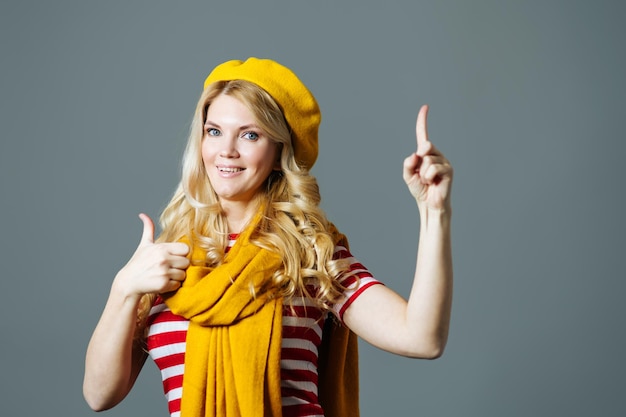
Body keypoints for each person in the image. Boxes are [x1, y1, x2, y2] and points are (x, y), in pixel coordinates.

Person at [83, 57, 453, 417]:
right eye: (214, 131)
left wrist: (434, 211)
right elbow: (100, 396)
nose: (227, 150)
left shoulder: (309, 252)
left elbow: (421, 338)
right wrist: (125, 288)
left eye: (250, 134)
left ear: (279, 152)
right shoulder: (165, 262)